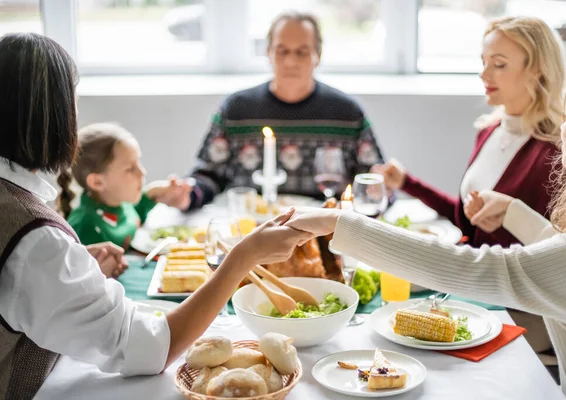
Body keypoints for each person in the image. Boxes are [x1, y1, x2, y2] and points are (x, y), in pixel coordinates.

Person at [0, 32, 311, 398]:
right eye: (73, 101)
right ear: (52, 116)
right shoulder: (35, 240)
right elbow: (147, 349)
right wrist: (243, 257)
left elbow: (23, 284)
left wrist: (75, 266)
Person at [282, 56, 566, 400]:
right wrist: (513, 212)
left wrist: (340, 224)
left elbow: (477, 268)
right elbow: (565, 254)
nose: (561, 127)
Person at [373, 16, 564, 248]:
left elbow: (553, 251)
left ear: (538, 70)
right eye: (483, 62)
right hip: (468, 274)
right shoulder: (489, 131)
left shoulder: (555, 154)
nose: (484, 75)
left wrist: (503, 226)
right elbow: (467, 221)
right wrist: (407, 182)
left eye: (499, 64)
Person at [174, 12, 384, 210]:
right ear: (268, 53)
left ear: (317, 55)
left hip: (324, 233)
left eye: (301, 52)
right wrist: (186, 195)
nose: (290, 61)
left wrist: (382, 188)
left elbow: (374, 182)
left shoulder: (347, 114)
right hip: (252, 230)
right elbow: (209, 175)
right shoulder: (236, 110)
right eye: (282, 51)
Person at [58, 122, 193, 250]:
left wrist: (153, 194)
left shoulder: (118, 203)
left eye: (138, 162)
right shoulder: (85, 227)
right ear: (97, 182)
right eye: (130, 168)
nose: (142, 172)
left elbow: (132, 216)